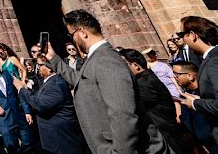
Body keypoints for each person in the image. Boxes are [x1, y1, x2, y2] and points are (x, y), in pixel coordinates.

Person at [46, 9, 168, 154]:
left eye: (72, 35)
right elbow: (83, 82)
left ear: (82, 32)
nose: (72, 39)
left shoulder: (106, 60)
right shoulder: (96, 57)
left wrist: (120, 151)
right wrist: (53, 59)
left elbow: (123, 114)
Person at [120, 48, 193, 154]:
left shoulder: (144, 83)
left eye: (123, 65)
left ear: (135, 65)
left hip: (167, 136)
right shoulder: (145, 78)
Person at [13, 55, 83, 154]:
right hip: (54, 137)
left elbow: (41, 105)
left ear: (50, 68)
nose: (37, 68)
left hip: (61, 138)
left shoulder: (55, 84)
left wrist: (21, 90)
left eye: (40, 65)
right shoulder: (49, 82)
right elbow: (39, 97)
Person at [178, 15, 218, 148]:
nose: (182, 39)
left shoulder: (213, 61)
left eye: (181, 34)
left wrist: (195, 103)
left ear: (193, 35)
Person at [173, 60, 215, 151]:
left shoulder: (207, 93)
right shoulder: (185, 94)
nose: (174, 77)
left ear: (190, 76)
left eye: (177, 74)